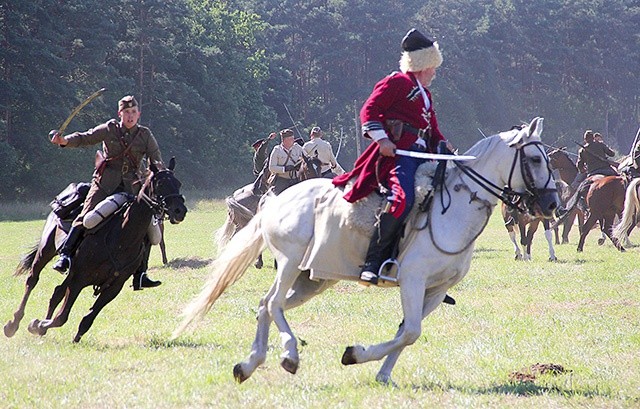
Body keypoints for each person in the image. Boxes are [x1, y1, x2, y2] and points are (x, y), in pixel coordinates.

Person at [333, 28, 453, 285]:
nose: (435, 72)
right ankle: (373, 262)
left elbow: (433, 131)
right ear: (423, 65)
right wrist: (383, 139)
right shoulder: (396, 82)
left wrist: (447, 150)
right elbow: (370, 110)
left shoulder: (426, 95)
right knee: (403, 199)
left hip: (423, 157)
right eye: (433, 67)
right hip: (399, 157)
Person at [49, 95, 164, 290]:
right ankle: (66, 256)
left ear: (139, 114)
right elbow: (85, 137)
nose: (130, 116)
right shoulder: (110, 129)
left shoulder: (145, 135)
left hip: (133, 187)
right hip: (105, 184)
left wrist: (161, 176)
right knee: (86, 216)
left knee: (145, 226)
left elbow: (156, 160)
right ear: (120, 114)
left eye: (133, 112)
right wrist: (65, 140)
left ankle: (141, 274)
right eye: (126, 112)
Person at [267, 128, 304, 195]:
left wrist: (299, 165)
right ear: (285, 140)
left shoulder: (298, 148)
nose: (293, 140)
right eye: (291, 139)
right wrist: (285, 169)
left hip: (296, 179)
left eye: (293, 138)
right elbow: (271, 167)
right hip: (282, 180)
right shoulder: (277, 150)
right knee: (275, 198)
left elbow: (306, 158)